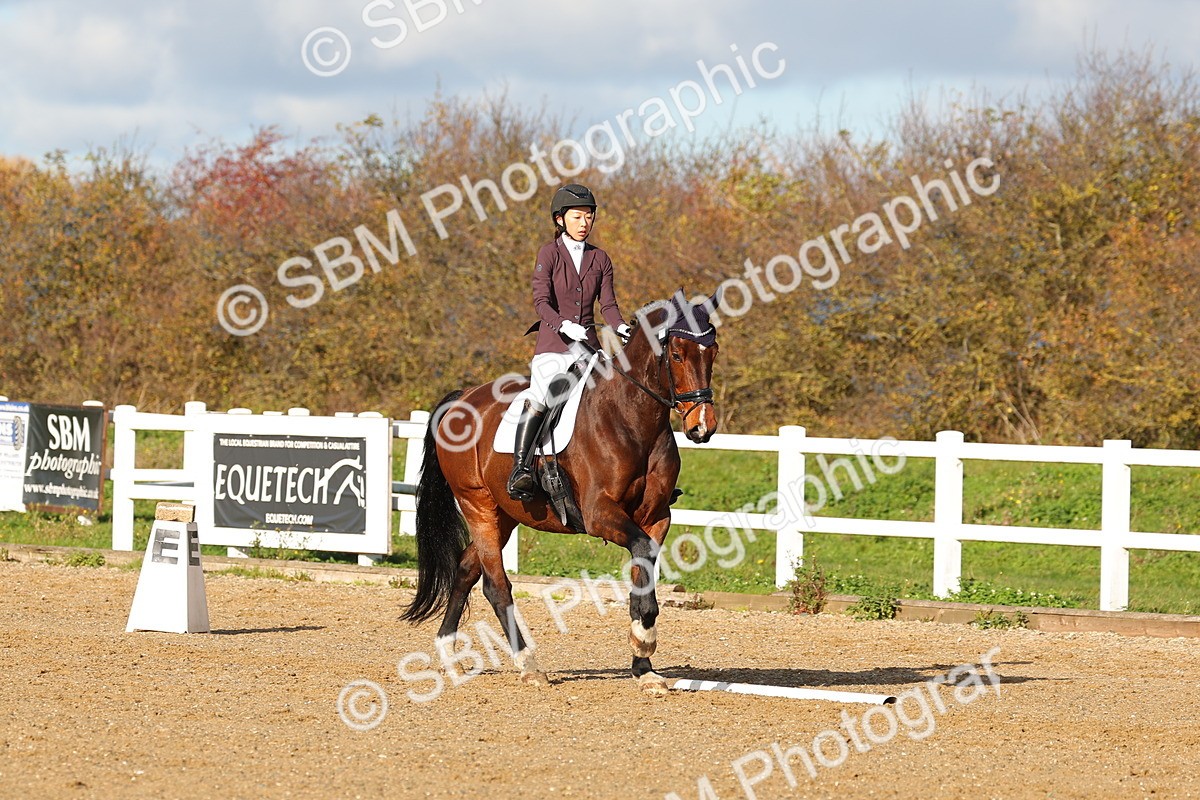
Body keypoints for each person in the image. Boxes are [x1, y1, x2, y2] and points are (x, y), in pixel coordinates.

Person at [506, 183, 632, 501]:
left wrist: (622, 328)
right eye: (577, 216)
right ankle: (520, 469)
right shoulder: (548, 254)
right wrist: (562, 324)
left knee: (619, 396)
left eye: (588, 217)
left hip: (588, 348)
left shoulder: (600, 259)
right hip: (553, 344)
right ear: (560, 220)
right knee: (542, 394)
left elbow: (608, 305)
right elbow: (541, 300)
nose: (584, 223)